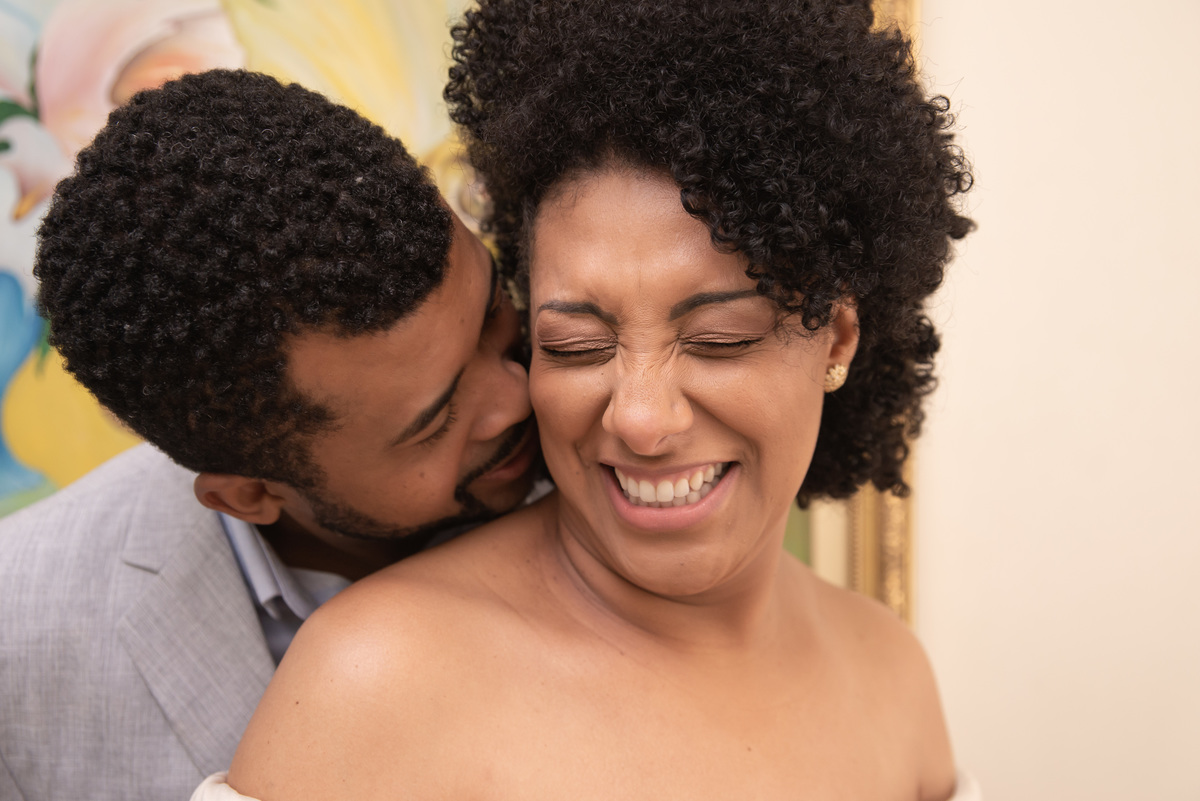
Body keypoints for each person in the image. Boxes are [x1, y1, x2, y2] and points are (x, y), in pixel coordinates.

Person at [210, 1, 980, 798]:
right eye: (576, 347)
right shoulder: (380, 678)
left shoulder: (891, 674)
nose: (640, 420)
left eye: (719, 338)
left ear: (838, 339)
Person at [0, 69, 539, 801]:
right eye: (436, 420)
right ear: (248, 494)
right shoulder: (19, 640)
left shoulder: (635, 463)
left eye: (490, 314)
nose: (519, 396)